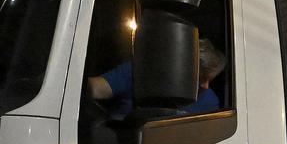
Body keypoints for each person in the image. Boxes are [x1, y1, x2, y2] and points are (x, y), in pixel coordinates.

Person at [86, 39, 228, 117]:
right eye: (200, 78)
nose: (205, 86)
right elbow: (97, 88)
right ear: (180, 67)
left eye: (210, 80)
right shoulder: (142, 71)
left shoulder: (209, 102)